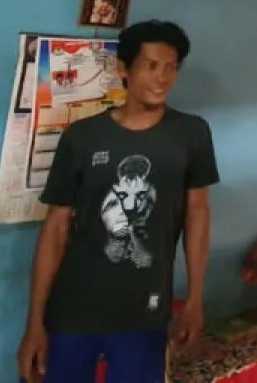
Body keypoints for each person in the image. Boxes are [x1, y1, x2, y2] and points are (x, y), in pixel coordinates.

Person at [17, 20, 220, 383]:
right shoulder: (82, 138)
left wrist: (195, 298)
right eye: (151, 66)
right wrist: (35, 322)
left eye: (171, 67)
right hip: (74, 308)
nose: (162, 78)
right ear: (123, 68)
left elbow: (197, 215)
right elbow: (55, 228)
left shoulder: (191, 134)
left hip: (143, 313)